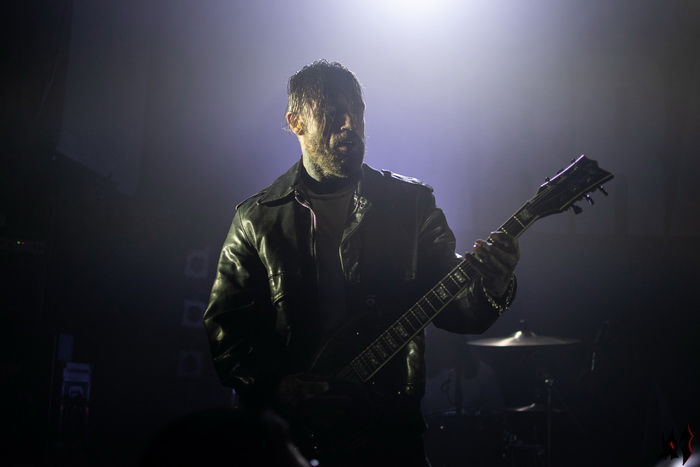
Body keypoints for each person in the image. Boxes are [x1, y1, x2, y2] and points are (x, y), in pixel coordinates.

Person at [203, 60, 519, 467]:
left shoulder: (412, 205)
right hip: (291, 438)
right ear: (296, 122)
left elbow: (457, 311)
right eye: (334, 112)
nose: (350, 124)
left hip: (391, 432)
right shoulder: (256, 218)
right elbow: (228, 331)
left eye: (357, 111)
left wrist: (493, 284)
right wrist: (277, 387)